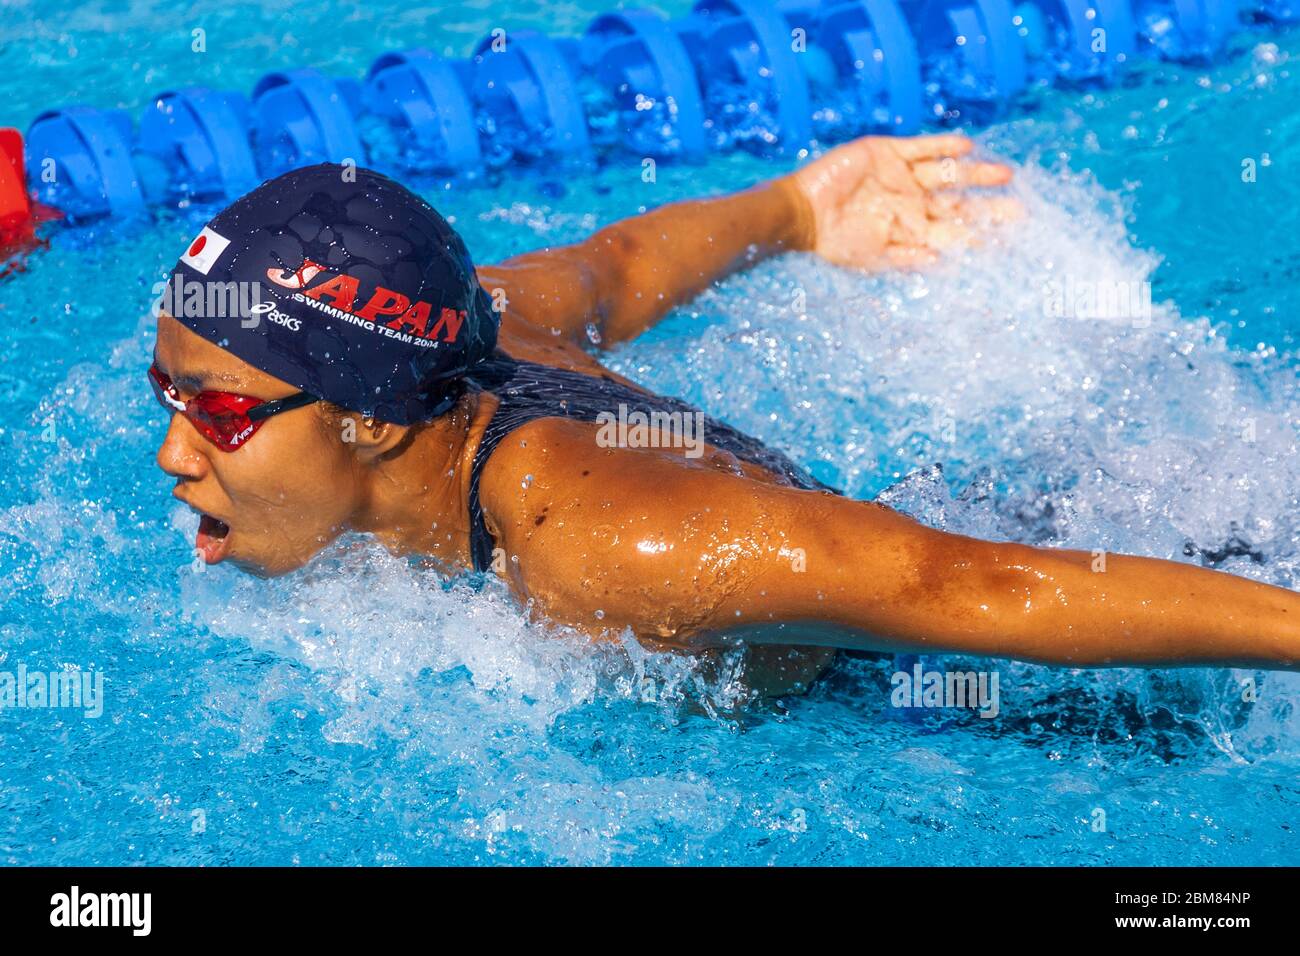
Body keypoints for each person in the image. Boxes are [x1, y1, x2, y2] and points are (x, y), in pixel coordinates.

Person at [150, 132, 1300, 697]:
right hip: (932, 552)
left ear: (372, 418)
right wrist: (799, 208)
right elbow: (613, 267)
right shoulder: (468, 323)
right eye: (167, 395)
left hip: (984, 685)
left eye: (221, 415)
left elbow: (965, 590)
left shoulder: (610, 547)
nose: (172, 452)